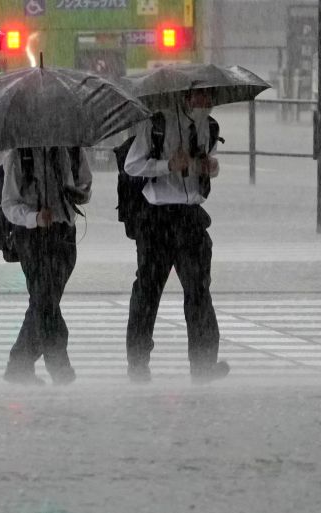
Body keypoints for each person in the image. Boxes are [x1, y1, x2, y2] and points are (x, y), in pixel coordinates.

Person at [123, 89, 229, 384]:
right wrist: (167, 165)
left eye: (210, 98)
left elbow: (210, 162)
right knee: (147, 292)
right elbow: (131, 165)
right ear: (186, 97)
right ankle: (138, 362)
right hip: (157, 218)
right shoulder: (157, 123)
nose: (207, 103)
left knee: (198, 290)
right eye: (201, 97)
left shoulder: (209, 126)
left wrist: (211, 166)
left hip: (191, 217)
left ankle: (204, 364)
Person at [1, 146, 92, 386]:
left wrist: (79, 193)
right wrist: (34, 217)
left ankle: (22, 364)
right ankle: (55, 366)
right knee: (44, 301)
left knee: (45, 303)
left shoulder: (71, 149)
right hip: (32, 237)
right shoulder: (20, 153)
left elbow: (85, 183)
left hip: (64, 235)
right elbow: (9, 203)